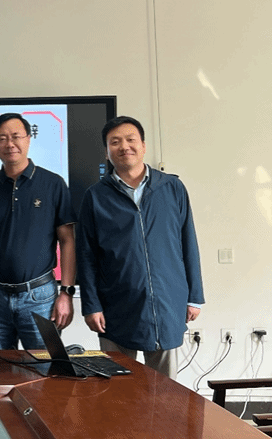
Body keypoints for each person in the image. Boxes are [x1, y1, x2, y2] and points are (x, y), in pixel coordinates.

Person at [76, 116, 204, 378]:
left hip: (168, 301)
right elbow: (86, 255)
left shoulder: (172, 187)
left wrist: (194, 296)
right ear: (107, 152)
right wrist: (91, 305)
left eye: (130, 139)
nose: (124, 146)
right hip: (116, 304)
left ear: (143, 146)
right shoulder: (95, 196)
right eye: (115, 142)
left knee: (165, 388)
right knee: (117, 387)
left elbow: (188, 241)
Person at [0, 113, 76, 350]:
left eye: (16, 136)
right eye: (2, 138)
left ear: (28, 139)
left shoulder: (53, 184)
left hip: (41, 297)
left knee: (44, 367)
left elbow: (68, 241)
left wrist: (66, 293)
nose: (10, 144)